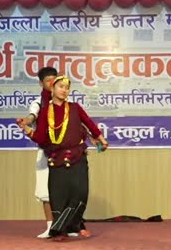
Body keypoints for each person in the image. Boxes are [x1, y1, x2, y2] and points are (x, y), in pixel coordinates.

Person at [23, 75, 108, 240]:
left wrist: (102, 139)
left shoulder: (75, 107)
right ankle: (59, 231)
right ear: (53, 89)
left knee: (80, 192)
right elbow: (41, 138)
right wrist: (26, 129)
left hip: (77, 156)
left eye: (67, 88)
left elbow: (89, 123)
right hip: (56, 159)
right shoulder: (45, 112)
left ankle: (72, 226)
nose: (64, 90)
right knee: (59, 196)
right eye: (60, 87)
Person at [17, 66, 58, 237]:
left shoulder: (66, 102)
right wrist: (25, 122)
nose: (52, 83)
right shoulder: (38, 102)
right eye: (48, 80)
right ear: (41, 83)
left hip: (65, 153)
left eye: (54, 79)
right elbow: (32, 116)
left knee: (65, 191)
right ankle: (50, 227)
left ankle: (66, 226)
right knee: (45, 192)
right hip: (45, 152)